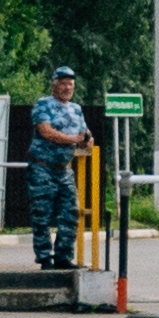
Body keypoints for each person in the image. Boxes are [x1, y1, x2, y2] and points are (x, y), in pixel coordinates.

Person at [27, 63, 92, 269]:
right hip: (42, 168)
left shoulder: (76, 109)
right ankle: (45, 258)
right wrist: (73, 139)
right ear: (54, 85)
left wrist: (86, 140)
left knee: (70, 213)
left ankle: (63, 256)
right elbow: (46, 132)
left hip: (64, 169)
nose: (67, 88)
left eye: (70, 84)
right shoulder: (43, 105)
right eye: (63, 84)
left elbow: (86, 136)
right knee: (42, 214)